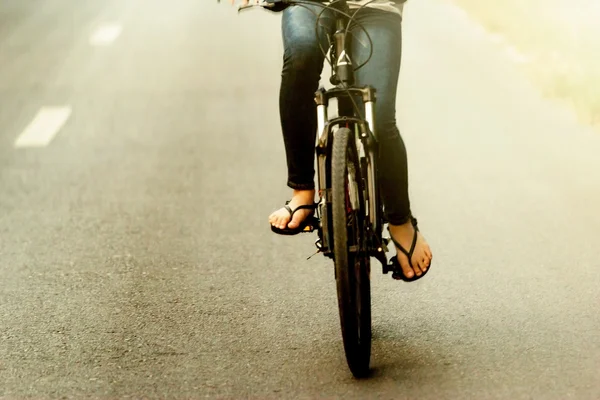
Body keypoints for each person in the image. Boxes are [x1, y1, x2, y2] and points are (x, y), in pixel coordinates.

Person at [233, 0, 433, 281]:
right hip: (310, 3)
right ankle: (302, 192)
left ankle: (400, 221)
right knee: (300, 60)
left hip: (375, 6)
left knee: (379, 112)